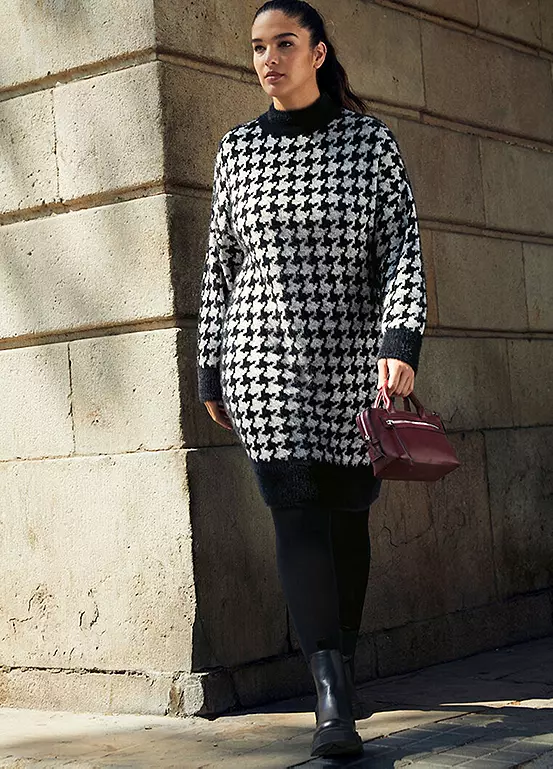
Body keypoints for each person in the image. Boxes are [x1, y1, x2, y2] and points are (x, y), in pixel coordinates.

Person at [196, 0, 427, 758]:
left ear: (318, 53)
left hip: (352, 362)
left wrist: (400, 340)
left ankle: (344, 667)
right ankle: (330, 694)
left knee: (347, 519)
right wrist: (211, 366)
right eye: (258, 47)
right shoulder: (238, 150)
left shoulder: (369, 142)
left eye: (284, 43)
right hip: (262, 361)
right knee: (296, 517)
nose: (268, 59)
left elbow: (400, 249)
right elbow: (221, 266)